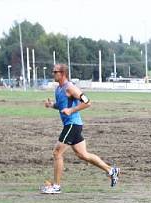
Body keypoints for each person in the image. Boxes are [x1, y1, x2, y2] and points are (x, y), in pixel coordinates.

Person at [41, 63, 119, 194]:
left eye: (55, 72)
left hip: (72, 124)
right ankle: (111, 171)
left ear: (63, 73)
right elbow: (62, 106)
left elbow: (87, 102)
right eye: (53, 71)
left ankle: (56, 186)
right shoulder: (58, 89)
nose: (53, 73)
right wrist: (52, 105)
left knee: (57, 153)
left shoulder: (70, 87)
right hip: (71, 124)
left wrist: (72, 110)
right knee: (83, 155)